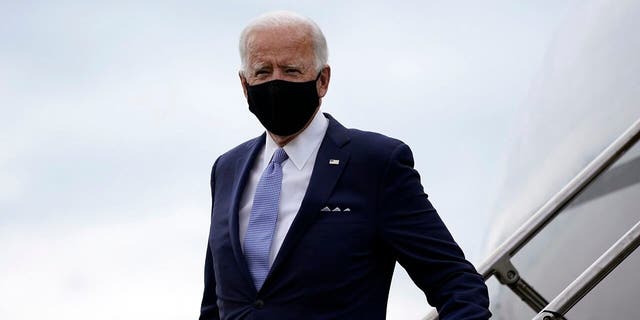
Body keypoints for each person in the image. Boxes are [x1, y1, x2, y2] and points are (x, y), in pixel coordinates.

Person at [199, 10, 490, 320]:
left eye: (291, 70)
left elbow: (455, 282)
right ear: (245, 85)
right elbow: (215, 305)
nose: (276, 82)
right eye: (263, 72)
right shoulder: (226, 169)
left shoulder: (375, 163)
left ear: (322, 80)